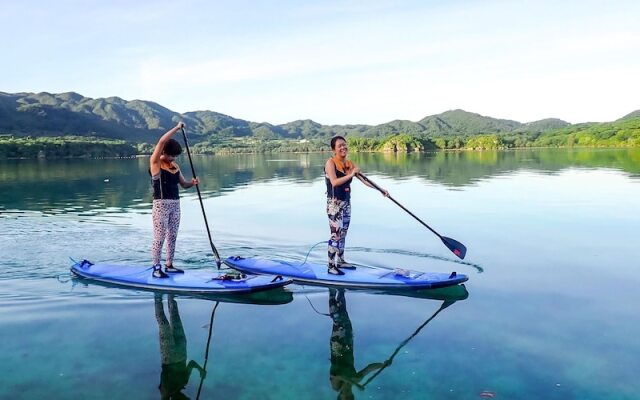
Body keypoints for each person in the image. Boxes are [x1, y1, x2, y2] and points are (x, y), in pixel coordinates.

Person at [324, 136, 388, 275]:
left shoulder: (349, 164)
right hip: (334, 205)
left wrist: (380, 189)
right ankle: (330, 266)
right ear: (334, 149)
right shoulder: (331, 163)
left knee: (344, 233)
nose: (343, 148)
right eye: (339, 146)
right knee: (336, 235)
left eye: (344, 145)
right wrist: (351, 174)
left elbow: (365, 180)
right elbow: (334, 182)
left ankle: (340, 261)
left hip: (346, 203)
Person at [150, 122, 199, 278]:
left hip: (175, 205)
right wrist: (177, 128)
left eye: (175, 156)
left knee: (172, 236)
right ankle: (156, 267)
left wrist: (193, 183)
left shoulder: (175, 166)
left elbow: (183, 184)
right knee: (160, 237)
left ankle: (169, 265)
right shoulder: (155, 163)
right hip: (160, 205)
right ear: (164, 152)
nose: (173, 158)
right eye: (172, 155)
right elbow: (161, 142)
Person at [328, 288, 387, 399]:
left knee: (337, 319)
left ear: (340, 397)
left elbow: (337, 375)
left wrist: (354, 383)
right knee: (344, 315)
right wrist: (383, 365)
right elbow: (369, 368)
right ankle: (340, 291)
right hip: (348, 344)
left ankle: (331, 293)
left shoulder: (336, 387)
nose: (348, 397)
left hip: (337, 348)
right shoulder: (357, 378)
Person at [155, 294, 206, 399]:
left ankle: (157, 295)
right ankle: (171, 293)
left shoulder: (167, 391)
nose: (187, 398)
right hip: (182, 351)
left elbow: (164, 395)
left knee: (162, 321)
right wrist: (200, 369)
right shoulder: (184, 381)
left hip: (168, 356)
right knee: (175, 315)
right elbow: (191, 364)